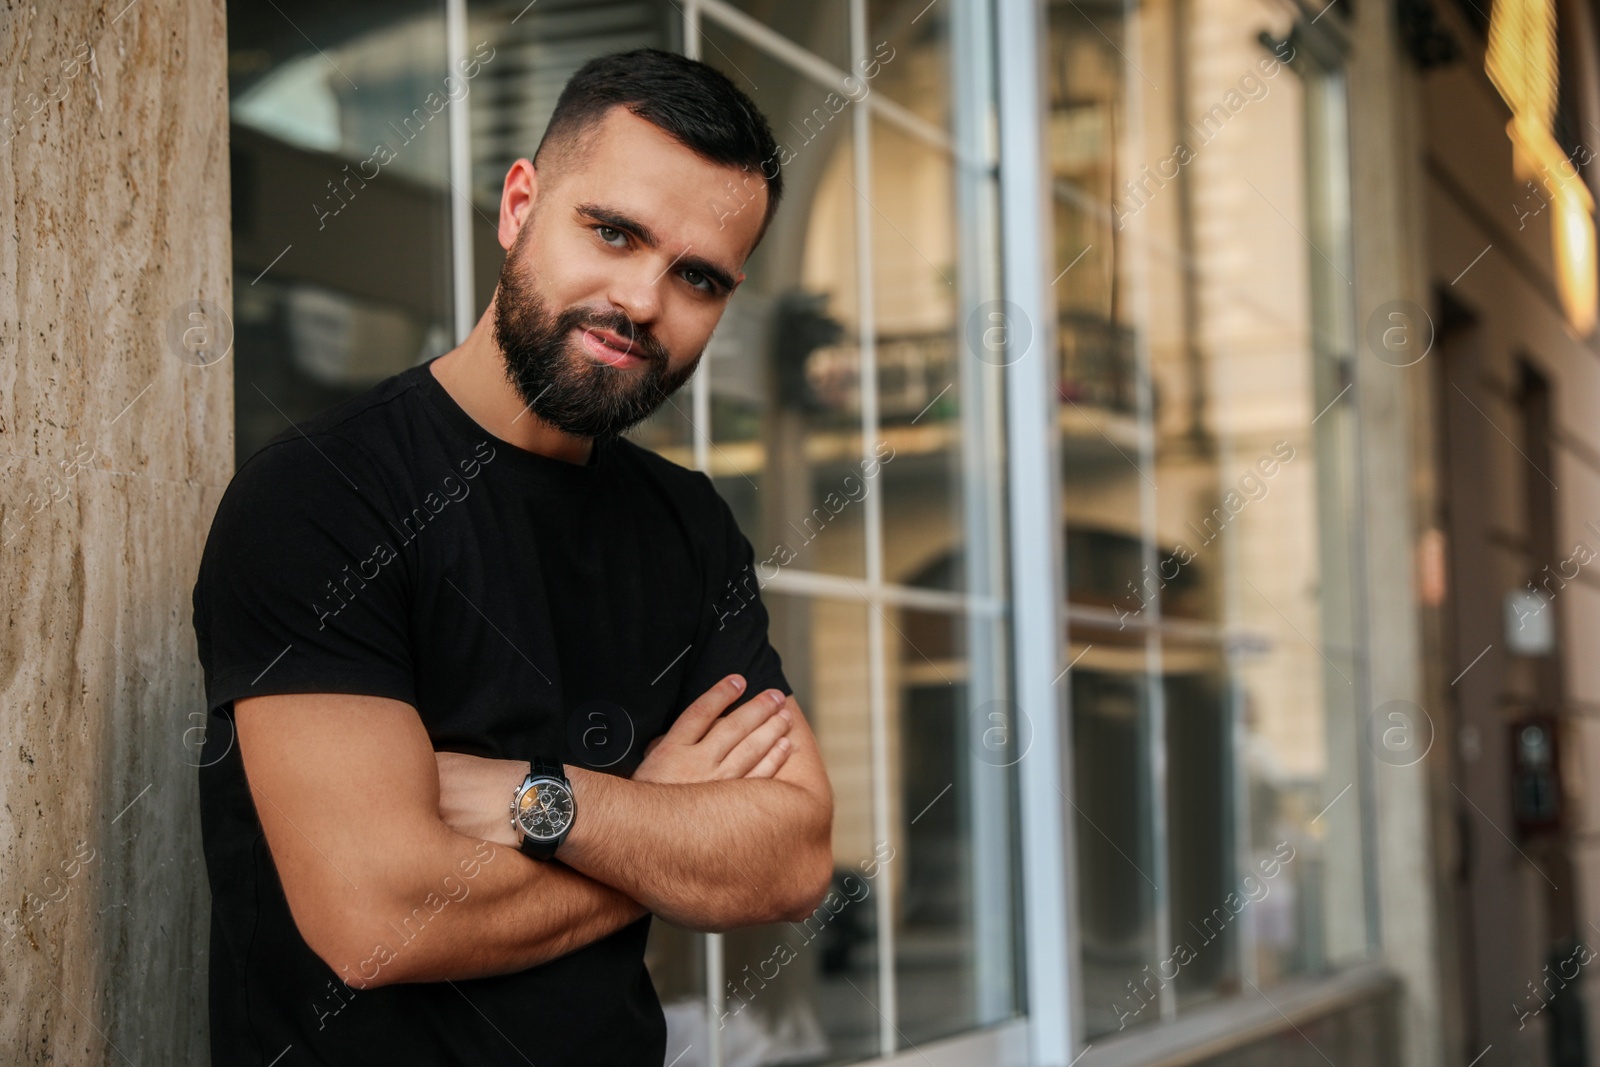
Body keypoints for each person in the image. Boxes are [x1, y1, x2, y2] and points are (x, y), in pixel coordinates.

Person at [190, 48, 833, 1066]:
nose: (640, 300)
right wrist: (656, 824)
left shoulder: (690, 527)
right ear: (520, 204)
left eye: (698, 277)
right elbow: (378, 914)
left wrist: (541, 798)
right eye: (612, 231)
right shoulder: (323, 494)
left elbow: (789, 857)